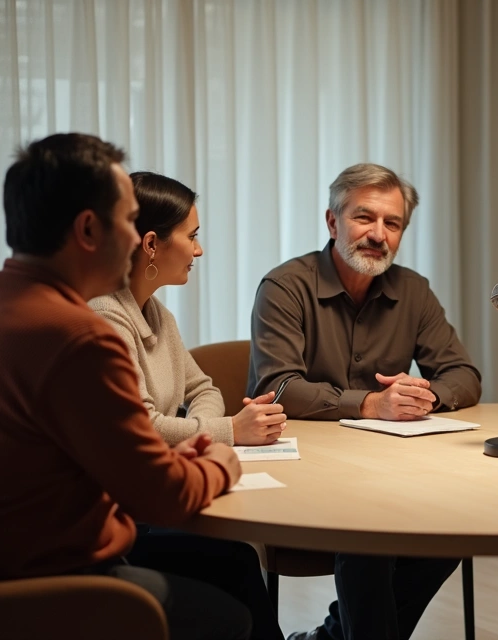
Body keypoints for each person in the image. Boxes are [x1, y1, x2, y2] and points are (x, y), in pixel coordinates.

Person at [0, 133, 251, 640]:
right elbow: (164, 500)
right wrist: (222, 460)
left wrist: (171, 460)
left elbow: (89, 457)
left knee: (228, 562)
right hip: (35, 588)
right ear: (90, 229)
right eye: (129, 221)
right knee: (230, 620)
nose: (139, 240)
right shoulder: (77, 337)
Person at [250, 163, 478, 640]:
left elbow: (463, 375)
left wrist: (427, 394)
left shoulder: (413, 290)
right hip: (300, 469)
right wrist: (372, 404)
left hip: (385, 470)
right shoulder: (285, 287)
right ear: (333, 223)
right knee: (368, 532)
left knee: (452, 528)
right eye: (364, 218)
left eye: (392, 224)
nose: (378, 234)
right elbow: (281, 388)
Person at [90, 171, 287, 640]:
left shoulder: (156, 311)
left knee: (235, 553)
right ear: (152, 244)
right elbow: (139, 426)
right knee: (235, 558)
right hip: (117, 518)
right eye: (192, 237)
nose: (199, 251)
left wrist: (200, 427)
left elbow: (204, 387)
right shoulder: (104, 316)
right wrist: (227, 432)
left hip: (141, 496)